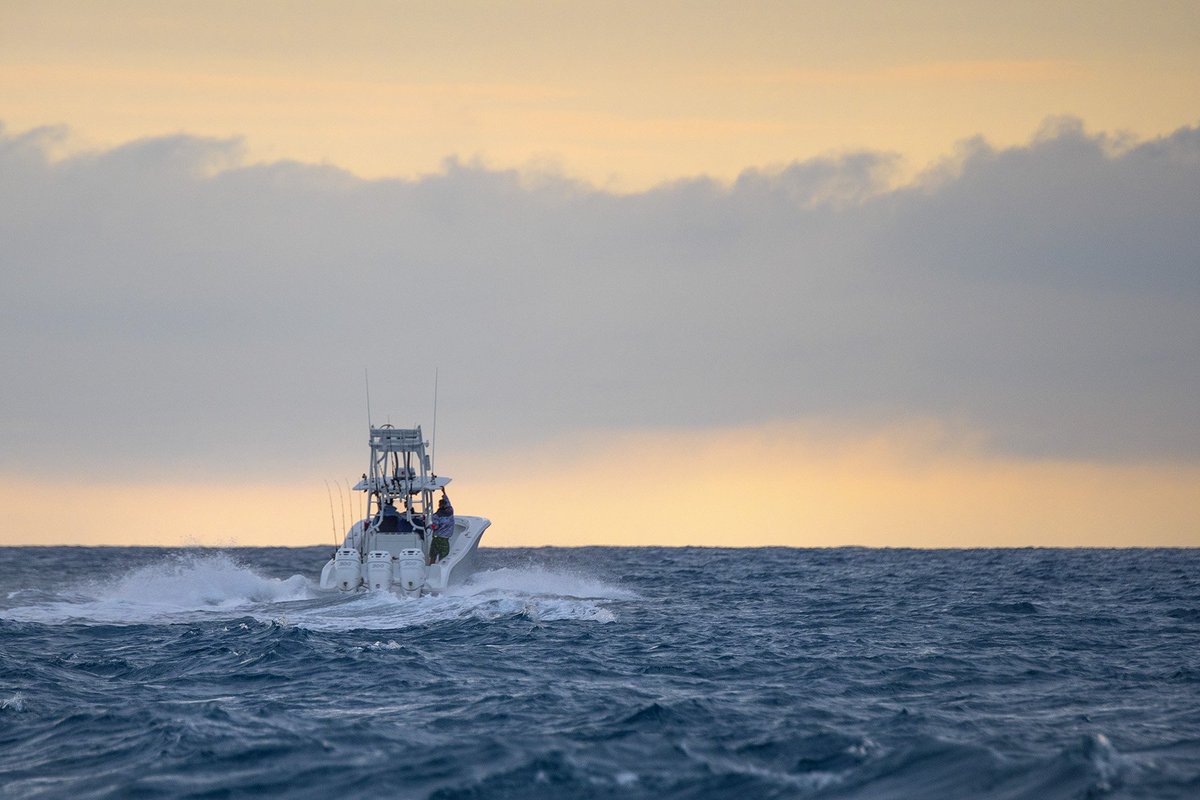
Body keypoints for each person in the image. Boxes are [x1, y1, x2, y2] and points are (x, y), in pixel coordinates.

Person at [430, 492, 454, 562]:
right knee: (443, 557)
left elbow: (435, 526)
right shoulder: (450, 511)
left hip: (437, 538)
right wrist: (444, 492)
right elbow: (448, 502)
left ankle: (431, 567)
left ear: (439, 505)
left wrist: (429, 525)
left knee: (433, 556)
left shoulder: (436, 515)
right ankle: (440, 570)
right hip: (445, 539)